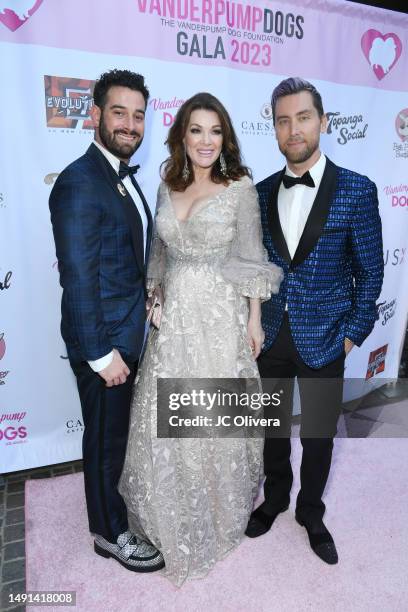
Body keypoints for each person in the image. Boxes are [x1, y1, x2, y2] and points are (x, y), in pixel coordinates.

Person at [119, 92, 283, 585]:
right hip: (175, 321)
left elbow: (251, 259)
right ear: (183, 136)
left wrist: (254, 319)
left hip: (219, 316)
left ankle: (213, 512)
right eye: (196, 130)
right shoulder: (167, 185)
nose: (206, 140)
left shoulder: (240, 189)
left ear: (225, 138)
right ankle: (169, 514)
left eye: (215, 131)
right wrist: (154, 296)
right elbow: (159, 255)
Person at [245, 77, 384, 564]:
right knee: (272, 428)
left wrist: (352, 336)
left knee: (320, 432)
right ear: (275, 129)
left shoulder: (357, 190)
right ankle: (277, 497)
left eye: (303, 117)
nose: (293, 129)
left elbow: (371, 273)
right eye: (283, 120)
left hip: (328, 338)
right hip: (272, 333)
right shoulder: (260, 194)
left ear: (323, 122)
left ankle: (310, 510)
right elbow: (254, 268)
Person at [49, 69, 164, 572]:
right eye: (119, 112)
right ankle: (109, 533)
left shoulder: (117, 175)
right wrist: (101, 354)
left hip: (125, 332)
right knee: (104, 439)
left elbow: (120, 262)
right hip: (105, 345)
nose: (130, 124)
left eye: (138, 115)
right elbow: (77, 279)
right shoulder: (79, 182)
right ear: (95, 115)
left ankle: (114, 515)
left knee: (114, 436)